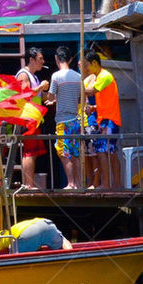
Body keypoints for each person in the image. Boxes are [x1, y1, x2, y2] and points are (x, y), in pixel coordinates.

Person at [45, 46, 82, 190]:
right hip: (75, 119)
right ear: (71, 59)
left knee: (63, 152)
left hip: (62, 121)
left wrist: (52, 98)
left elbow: (50, 96)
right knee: (76, 153)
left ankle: (71, 183)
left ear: (56, 59)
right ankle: (79, 184)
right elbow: (79, 99)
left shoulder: (56, 76)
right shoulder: (78, 77)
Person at [84, 51, 122, 190]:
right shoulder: (100, 76)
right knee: (107, 152)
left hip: (110, 119)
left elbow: (92, 91)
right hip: (104, 118)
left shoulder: (105, 76)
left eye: (87, 65)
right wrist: (94, 108)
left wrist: (77, 87)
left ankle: (109, 185)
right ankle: (113, 184)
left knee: (106, 152)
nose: (87, 69)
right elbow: (105, 99)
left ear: (94, 63)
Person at [16, 47, 50, 189]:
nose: (43, 61)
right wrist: (41, 87)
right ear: (31, 59)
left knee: (34, 152)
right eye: (40, 59)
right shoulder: (24, 75)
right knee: (29, 152)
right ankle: (27, 184)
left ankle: (28, 184)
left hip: (34, 118)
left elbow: (35, 95)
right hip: (27, 118)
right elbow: (25, 94)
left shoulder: (33, 76)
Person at [0, 218, 73, 253]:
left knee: (13, 262)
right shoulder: (12, 229)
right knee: (63, 241)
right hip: (44, 222)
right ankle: (71, 257)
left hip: (25, 234)